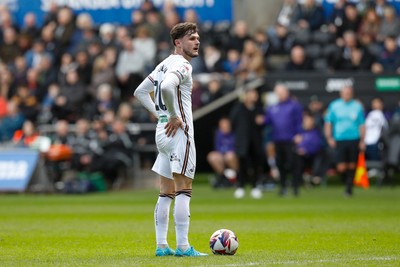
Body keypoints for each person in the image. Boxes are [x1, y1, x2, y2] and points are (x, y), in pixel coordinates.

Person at [134, 22, 207, 257]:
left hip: (162, 133)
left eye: (197, 37)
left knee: (165, 192)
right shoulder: (183, 65)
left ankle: (161, 245)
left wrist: (161, 116)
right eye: (191, 38)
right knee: (184, 189)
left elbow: (140, 92)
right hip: (179, 133)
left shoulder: (163, 64)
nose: (197, 41)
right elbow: (167, 86)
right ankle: (184, 247)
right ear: (178, 42)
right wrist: (173, 116)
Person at [324, 86, 365, 197]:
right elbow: (328, 122)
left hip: (354, 138)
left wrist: (362, 140)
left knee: (352, 165)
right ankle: (346, 182)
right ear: (341, 94)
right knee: (341, 166)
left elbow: (362, 124)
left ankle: (349, 187)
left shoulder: (357, 106)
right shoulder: (334, 105)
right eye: (345, 93)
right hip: (340, 138)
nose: (347, 95)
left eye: (349, 93)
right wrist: (329, 137)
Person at [264, 84, 303, 196]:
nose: (280, 95)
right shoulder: (272, 107)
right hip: (277, 139)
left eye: (281, 93)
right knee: (280, 164)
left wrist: (299, 134)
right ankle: (283, 187)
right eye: (278, 93)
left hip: (291, 139)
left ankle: (295, 187)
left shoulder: (295, 105)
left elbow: (299, 121)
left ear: (286, 92)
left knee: (293, 163)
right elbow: (267, 121)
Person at [230, 88, 264, 199]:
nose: (254, 96)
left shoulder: (259, 108)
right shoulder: (239, 107)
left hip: (255, 141)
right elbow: (233, 121)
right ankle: (240, 187)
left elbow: (264, 123)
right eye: (252, 94)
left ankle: (255, 186)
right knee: (242, 164)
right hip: (242, 141)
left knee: (255, 165)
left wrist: (262, 121)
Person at [207, 117, 238, 188]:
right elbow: (218, 147)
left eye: (225, 125)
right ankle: (223, 178)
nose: (224, 127)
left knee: (229, 156)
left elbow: (236, 147)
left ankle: (236, 178)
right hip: (222, 155)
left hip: (233, 156)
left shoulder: (234, 133)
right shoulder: (219, 134)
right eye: (222, 125)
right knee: (212, 156)